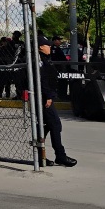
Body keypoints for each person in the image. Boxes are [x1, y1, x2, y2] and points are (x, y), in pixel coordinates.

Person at [38, 36, 77, 167]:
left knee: (49, 125)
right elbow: (42, 80)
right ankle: (60, 156)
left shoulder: (44, 59)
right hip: (43, 98)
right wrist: (48, 96)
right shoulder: (39, 61)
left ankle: (39, 155)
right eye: (47, 45)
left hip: (46, 97)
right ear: (40, 47)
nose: (50, 47)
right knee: (55, 124)